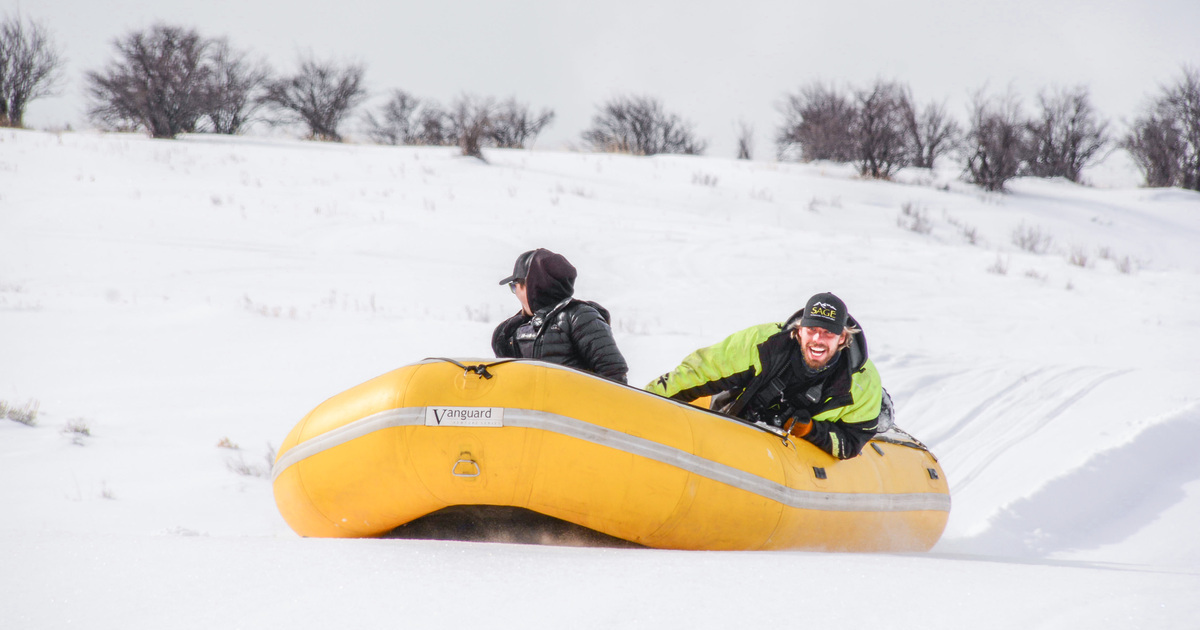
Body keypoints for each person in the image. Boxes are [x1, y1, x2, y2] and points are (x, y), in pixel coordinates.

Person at [645, 292, 888, 460]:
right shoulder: (764, 344)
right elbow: (699, 372)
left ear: (843, 338)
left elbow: (853, 441)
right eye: (811, 330)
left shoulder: (861, 382)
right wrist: (643, 403)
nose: (817, 339)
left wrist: (811, 430)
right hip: (738, 422)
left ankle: (885, 410)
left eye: (827, 333)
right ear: (799, 331)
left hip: (797, 458)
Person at [492, 248, 629, 383]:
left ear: (531, 285)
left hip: (574, 405)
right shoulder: (512, 330)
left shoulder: (580, 317)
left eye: (514, 286)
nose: (515, 293)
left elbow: (613, 373)